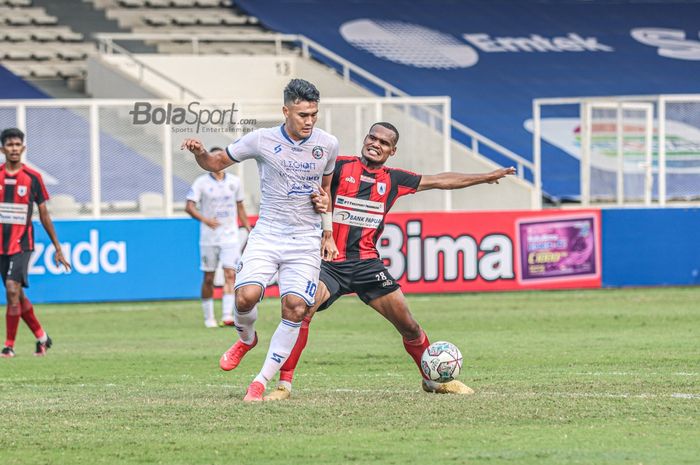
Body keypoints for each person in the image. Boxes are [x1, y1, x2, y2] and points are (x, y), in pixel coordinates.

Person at [263, 122, 516, 401]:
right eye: (372, 137)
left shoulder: (394, 179)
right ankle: (283, 386)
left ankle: (433, 381)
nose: (376, 144)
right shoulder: (339, 167)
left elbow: (441, 180)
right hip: (330, 261)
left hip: (367, 265)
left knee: (409, 326)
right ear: (365, 139)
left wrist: (484, 177)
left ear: (392, 150)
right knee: (302, 312)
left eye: (384, 142)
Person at [181, 78, 339, 402]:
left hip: (305, 239)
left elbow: (326, 192)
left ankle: (260, 381)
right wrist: (199, 153)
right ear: (285, 111)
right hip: (267, 233)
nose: (309, 121)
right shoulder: (261, 140)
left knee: (295, 307)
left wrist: (328, 230)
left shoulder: (328, 144)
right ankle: (246, 340)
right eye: (302, 115)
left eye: (313, 114)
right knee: (244, 298)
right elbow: (214, 163)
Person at [0, 127, 71, 358]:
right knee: (17, 295)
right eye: (9, 145)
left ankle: (8, 346)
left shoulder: (33, 178)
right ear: (2, 149)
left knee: (11, 289)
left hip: (22, 243)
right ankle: (42, 338)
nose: (13, 148)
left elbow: (44, 215)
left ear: (23, 148)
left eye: (17, 145)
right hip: (2, 245)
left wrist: (57, 247)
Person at [185, 150, 252, 328]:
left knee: (230, 274)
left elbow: (240, 207)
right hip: (209, 237)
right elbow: (189, 207)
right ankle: (209, 318)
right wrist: (206, 220)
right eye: (212, 158)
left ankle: (227, 315)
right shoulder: (201, 182)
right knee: (209, 277)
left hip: (230, 236)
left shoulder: (234, 182)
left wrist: (247, 226)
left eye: (218, 158)